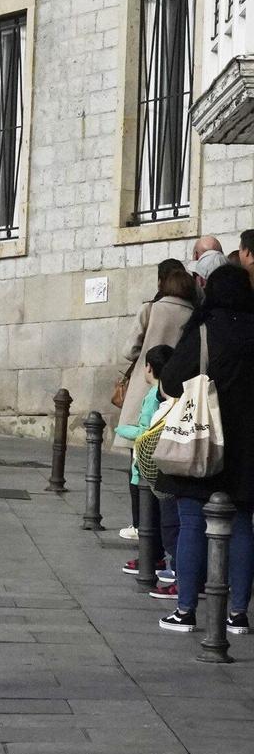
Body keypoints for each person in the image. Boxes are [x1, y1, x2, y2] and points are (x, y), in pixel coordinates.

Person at [153, 262, 254, 635]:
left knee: (194, 521)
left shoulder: (204, 331)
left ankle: (186, 609)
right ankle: (238, 614)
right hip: (247, 449)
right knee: (243, 523)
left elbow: (172, 379)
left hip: (203, 440)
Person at [116, 259, 199, 537]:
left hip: (146, 386)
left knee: (138, 460)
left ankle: (140, 524)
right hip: (177, 392)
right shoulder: (194, 313)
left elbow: (130, 350)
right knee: (170, 460)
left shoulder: (150, 309)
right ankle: (167, 527)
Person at [117, 344, 177, 589]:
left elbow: (146, 431)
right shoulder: (161, 393)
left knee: (148, 517)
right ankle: (152, 558)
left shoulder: (156, 396)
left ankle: (152, 559)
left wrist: (121, 429)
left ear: (149, 368)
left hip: (145, 467)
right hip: (146, 467)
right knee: (151, 517)